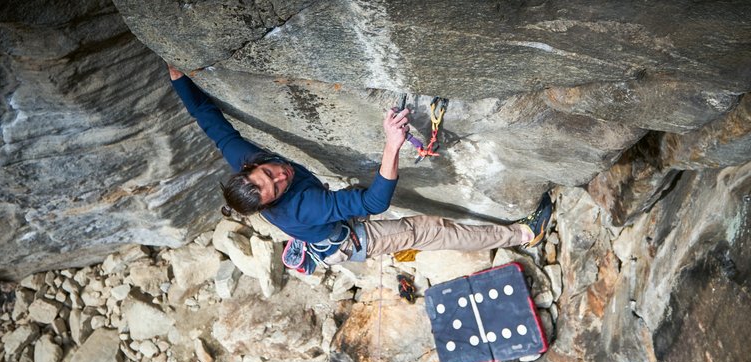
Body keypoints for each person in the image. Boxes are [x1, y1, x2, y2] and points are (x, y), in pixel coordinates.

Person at [168, 65, 552, 270]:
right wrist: (391, 145)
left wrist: (179, 78)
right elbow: (373, 204)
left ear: (250, 168)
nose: (281, 175)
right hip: (354, 239)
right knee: (431, 230)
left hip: (329, 225)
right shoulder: (303, 207)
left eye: (271, 173)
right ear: (272, 203)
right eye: (278, 186)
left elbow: (213, 125)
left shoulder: (245, 160)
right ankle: (522, 234)